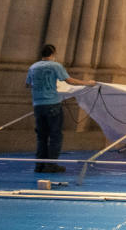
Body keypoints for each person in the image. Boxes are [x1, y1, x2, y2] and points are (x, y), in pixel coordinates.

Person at [25, 44, 96, 173]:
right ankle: (51, 165)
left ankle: (40, 165)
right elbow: (69, 81)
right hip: (52, 104)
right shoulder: (55, 66)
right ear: (53, 53)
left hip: (38, 105)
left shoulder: (33, 67)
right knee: (55, 135)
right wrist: (87, 83)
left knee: (41, 136)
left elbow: (28, 84)